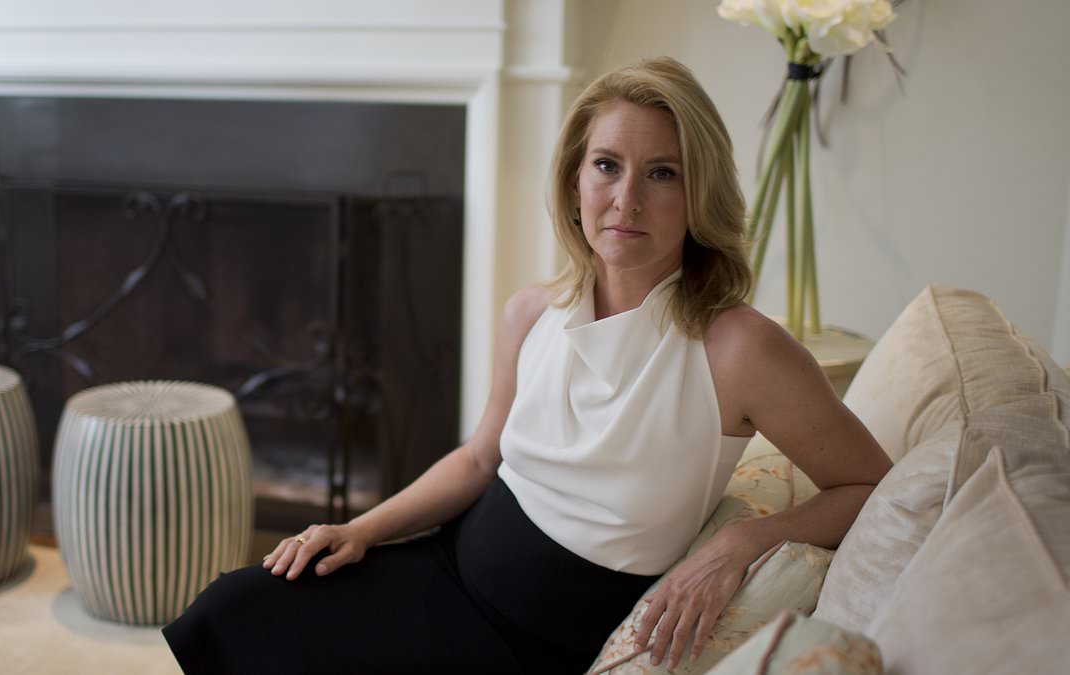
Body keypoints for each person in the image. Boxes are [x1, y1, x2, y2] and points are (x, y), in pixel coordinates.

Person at [162, 56, 891, 674]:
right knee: (234, 609)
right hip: (445, 568)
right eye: (606, 165)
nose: (627, 199)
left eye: (662, 173)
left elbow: (869, 483)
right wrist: (362, 529)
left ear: (698, 193)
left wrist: (742, 540)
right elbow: (480, 457)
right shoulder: (531, 312)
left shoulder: (739, 348)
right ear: (575, 182)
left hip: (532, 645)